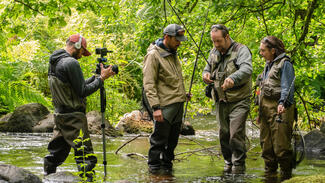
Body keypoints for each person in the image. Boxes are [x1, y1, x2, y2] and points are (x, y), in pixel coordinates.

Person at [44, 34, 115, 181]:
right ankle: (88, 180)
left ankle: (47, 178)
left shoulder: (56, 61)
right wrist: (102, 79)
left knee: (56, 153)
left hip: (60, 116)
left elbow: (76, 86)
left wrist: (96, 76)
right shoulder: (71, 63)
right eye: (83, 51)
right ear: (76, 46)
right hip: (74, 118)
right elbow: (83, 91)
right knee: (85, 157)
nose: (82, 55)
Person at [202, 24, 252, 174]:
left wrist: (233, 78)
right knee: (223, 134)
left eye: (219, 41)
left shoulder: (241, 50)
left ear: (227, 37)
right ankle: (228, 163)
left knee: (235, 133)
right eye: (213, 41)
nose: (216, 45)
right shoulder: (213, 51)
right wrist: (205, 75)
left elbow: (247, 69)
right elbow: (207, 68)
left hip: (239, 100)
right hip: (220, 100)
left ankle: (238, 166)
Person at [143, 24, 188, 175]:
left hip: (177, 104)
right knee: (158, 141)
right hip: (164, 106)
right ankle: (154, 171)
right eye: (177, 39)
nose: (179, 42)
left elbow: (171, 80)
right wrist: (155, 108)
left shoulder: (172, 52)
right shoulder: (153, 55)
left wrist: (183, 94)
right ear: (167, 37)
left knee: (172, 142)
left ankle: (167, 172)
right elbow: (149, 84)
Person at [258, 36, 295, 180]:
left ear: (273, 51)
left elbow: (287, 87)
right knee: (266, 148)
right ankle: (270, 176)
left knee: (281, 148)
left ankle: (287, 177)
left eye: (263, 51)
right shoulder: (268, 64)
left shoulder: (285, 64)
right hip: (265, 111)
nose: (261, 53)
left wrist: (282, 103)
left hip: (280, 110)